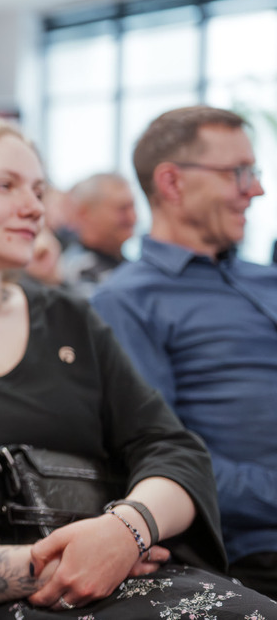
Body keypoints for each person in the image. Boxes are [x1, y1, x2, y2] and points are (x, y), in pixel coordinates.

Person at [0, 115, 275, 619]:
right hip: (2, 600)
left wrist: (127, 528)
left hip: (127, 568)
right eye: (5, 185)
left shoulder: (66, 317)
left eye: (38, 190)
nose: (33, 207)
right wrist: (64, 560)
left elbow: (169, 446)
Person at [91, 106, 277, 600]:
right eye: (237, 173)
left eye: (253, 172)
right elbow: (164, 455)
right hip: (252, 547)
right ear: (172, 183)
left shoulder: (266, 278)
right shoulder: (127, 301)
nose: (254, 190)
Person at [60, 172, 137, 297]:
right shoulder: (76, 272)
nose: (133, 218)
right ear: (85, 213)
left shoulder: (130, 266)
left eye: (133, 207)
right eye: (122, 209)